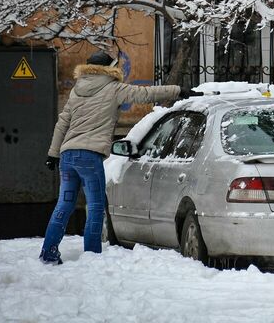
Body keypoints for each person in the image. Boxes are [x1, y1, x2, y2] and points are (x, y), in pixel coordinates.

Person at [40, 50, 191, 264]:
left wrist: (52, 154)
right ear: (111, 68)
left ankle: (48, 252)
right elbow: (145, 94)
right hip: (89, 157)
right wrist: (179, 90)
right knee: (95, 206)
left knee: (64, 205)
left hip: (67, 156)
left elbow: (62, 123)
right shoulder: (114, 88)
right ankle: (92, 256)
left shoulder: (76, 91)